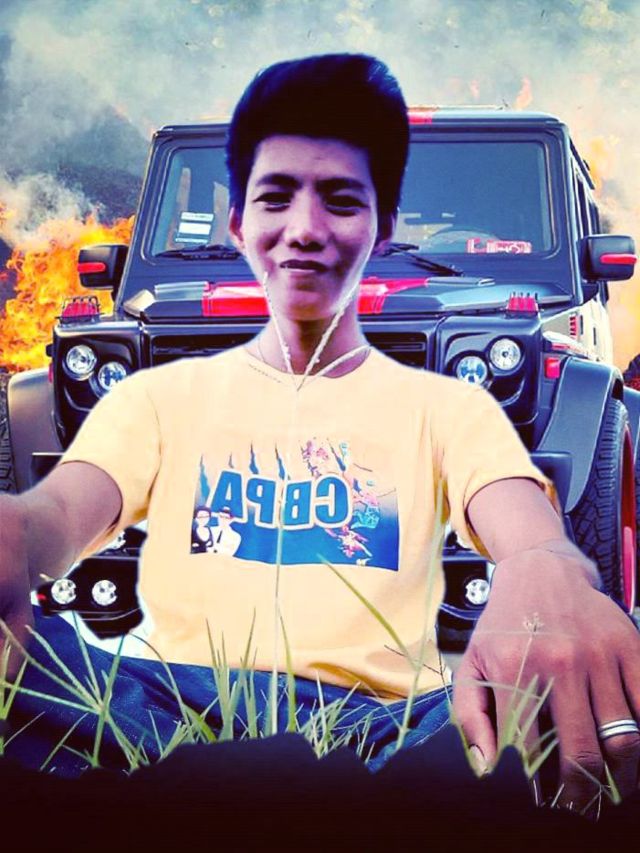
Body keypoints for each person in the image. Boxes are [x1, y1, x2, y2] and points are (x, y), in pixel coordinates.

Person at [1, 54, 639, 811]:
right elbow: (56, 512)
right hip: (158, 702)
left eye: (340, 200)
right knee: (30, 668)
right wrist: (15, 532)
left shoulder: (449, 409)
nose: (304, 230)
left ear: (382, 226)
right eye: (276, 197)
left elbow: (525, 525)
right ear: (238, 225)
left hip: (397, 721)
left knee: (580, 700)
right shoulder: (154, 398)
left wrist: (548, 574)